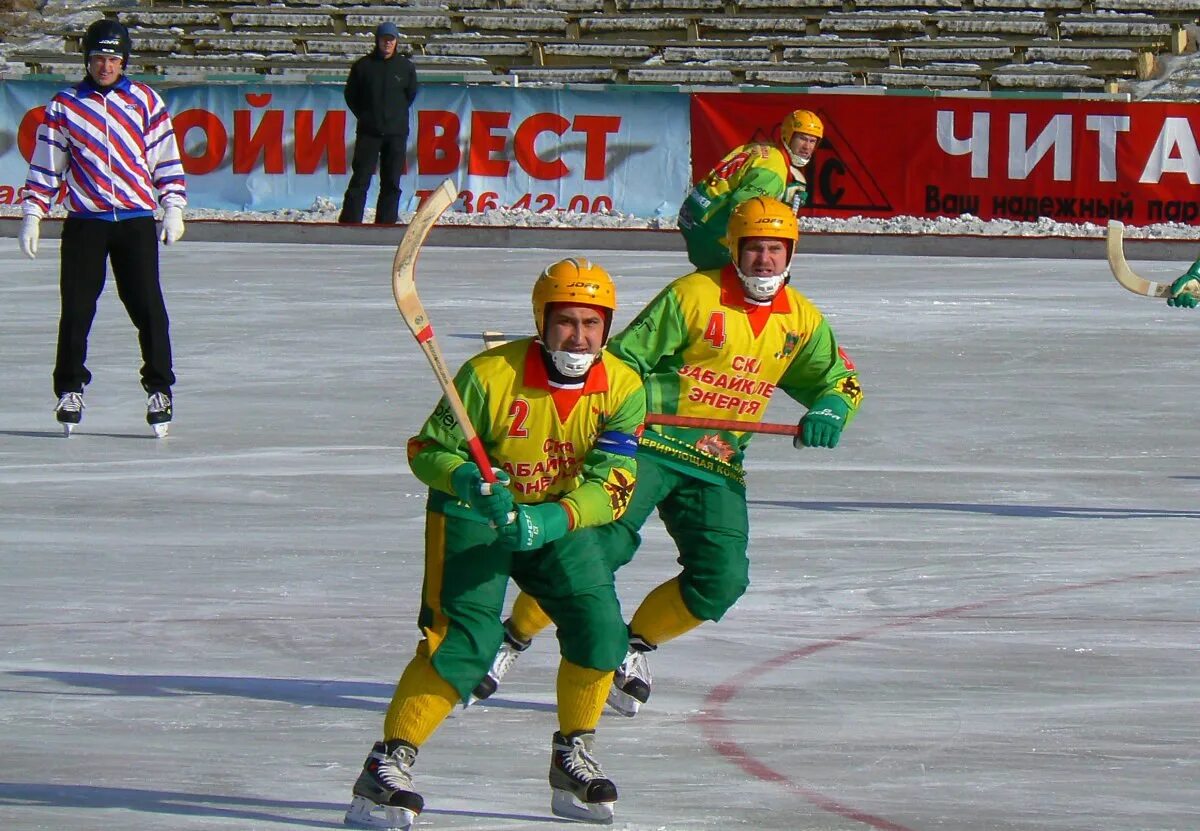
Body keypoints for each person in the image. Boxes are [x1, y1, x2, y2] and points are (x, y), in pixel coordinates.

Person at [473, 196, 863, 718]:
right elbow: (623, 359)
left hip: (718, 461)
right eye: (754, 248)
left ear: (790, 252)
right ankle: (513, 638)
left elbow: (840, 381)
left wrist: (832, 409)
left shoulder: (803, 321)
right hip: (647, 445)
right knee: (593, 553)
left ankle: (632, 648)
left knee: (721, 580)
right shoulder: (694, 296)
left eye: (775, 248)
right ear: (735, 248)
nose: (764, 261)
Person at [343, 259, 647, 830]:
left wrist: (550, 522)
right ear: (542, 321)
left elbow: (615, 485)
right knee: (465, 639)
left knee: (601, 630)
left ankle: (571, 756)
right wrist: (464, 478)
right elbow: (425, 450)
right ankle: (387, 765)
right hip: (472, 515)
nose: (578, 336)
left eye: (591, 323)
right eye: (565, 322)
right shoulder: (488, 376)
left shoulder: (624, 387)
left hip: (555, 516)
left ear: (607, 327)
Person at [18, 17, 186, 438]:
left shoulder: (145, 101)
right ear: (87, 61)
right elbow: (47, 165)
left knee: (148, 308)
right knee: (76, 310)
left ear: (124, 60)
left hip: (134, 221)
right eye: (98, 58)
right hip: (85, 223)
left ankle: (160, 389)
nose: (105, 66)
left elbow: (165, 158)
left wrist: (173, 206)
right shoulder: (65, 105)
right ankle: (70, 388)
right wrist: (33, 213)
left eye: (112, 58)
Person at [678, 108, 824, 271]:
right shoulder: (774, 170)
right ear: (787, 135)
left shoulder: (763, 150)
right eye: (802, 138)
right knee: (741, 280)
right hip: (710, 227)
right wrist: (782, 210)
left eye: (813, 141)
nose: (807, 147)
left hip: (693, 214)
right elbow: (744, 209)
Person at [338, 22, 418, 225]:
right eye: (384, 39)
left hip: (396, 133)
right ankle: (350, 222)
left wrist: (394, 116)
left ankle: (386, 222)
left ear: (396, 41)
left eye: (391, 39)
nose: (388, 43)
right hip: (369, 133)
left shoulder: (405, 67)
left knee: (391, 181)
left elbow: (410, 95)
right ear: (377, 40)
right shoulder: (363, 66)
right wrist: (366, 116)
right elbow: (351, 95)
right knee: (361, 178)